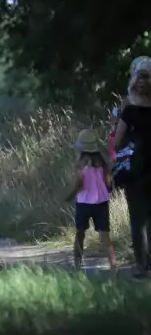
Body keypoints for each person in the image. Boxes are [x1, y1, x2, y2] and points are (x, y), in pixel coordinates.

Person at [114, 58, 151, 278]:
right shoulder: (128, 110)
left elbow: (116, 142)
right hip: (144, 172)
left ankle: (140, 264)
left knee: (137, 219)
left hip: (136, 171)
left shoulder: (128, 111)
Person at [65, 129, 117, 274]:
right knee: (105, 237)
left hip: (84, 203)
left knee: (80, 234)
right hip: (102, 203)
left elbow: (79, 184)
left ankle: (77, 266)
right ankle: (114, 268)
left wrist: (70, 195)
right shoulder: (103, 163)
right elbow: (108, 184)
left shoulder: (80, 165)